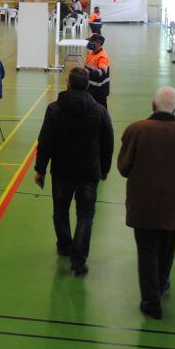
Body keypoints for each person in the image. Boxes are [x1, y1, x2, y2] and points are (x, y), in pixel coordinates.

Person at [118, 86, 175, 320]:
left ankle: (151, 301)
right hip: (173, 207)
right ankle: (162, 282)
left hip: (142, 206)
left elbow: (124, 168)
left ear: (153, 105)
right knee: (167, 249)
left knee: (146, 252)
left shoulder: (135, 130)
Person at [34, 67, 114, 274]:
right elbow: (108, 143)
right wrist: (104, 169)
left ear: (68, 84)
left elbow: (45, 141)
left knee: (60, 211)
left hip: (62, 171)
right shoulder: (99, 111)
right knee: (85, 215)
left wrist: (40, 169)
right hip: (89, 171)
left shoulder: (54, 109)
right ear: (87, 86)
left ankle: (65, 245)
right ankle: (79, 260)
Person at [84, 34, 111, 108]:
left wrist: (88, 72)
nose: (89, 43)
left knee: (101, 111)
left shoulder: (102, 57)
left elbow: (102, 71)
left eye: (91, 42)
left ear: (98, 43)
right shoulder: (93, 53)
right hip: (92, 89)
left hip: (99, 92)